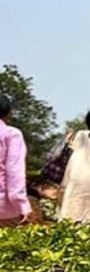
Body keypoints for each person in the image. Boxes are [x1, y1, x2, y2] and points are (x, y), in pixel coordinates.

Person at [0, 94, 33, 227]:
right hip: (4, 208)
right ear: (8, 113)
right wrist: (22, 205)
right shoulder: (11, 134)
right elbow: (14, 172)